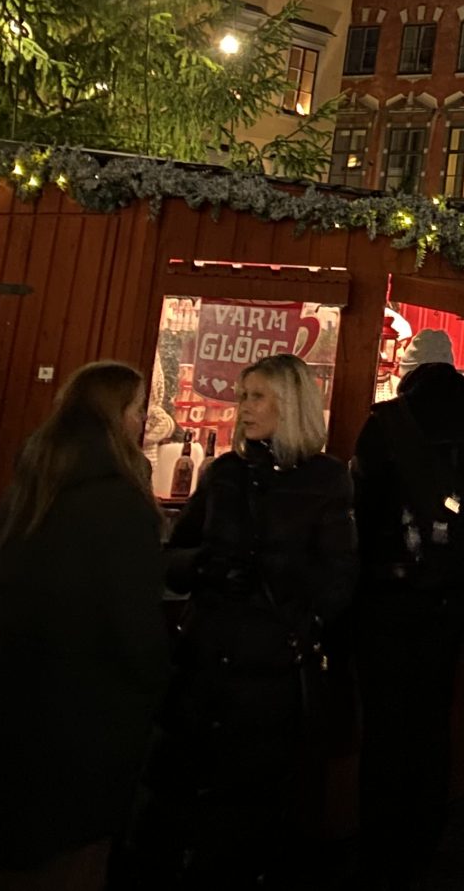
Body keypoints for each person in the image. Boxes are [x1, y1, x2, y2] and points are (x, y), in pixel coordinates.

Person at [0, 363, 170, 891]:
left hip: (16, 703)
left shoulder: (31, 489)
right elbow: (136, 627)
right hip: (91, 720)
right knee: (73, 862)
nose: (141, 420)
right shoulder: (120, 503)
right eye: (137, 409)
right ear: (115, 416)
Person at [157, 352, 357, 885]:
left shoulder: (325, 479)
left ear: (289, 405)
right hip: (206, 661)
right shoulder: (224, 474)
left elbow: (339, 577)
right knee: (189, 793)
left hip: (270, 672)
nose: (243, 407)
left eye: (257, 397)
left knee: (258, 806)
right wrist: (204, 567)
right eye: (242, 396)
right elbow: (172, 557)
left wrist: (293, 618)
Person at [350, 328, 464, 890]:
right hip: (451, 595)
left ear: (408, 374)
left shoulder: (387, 423)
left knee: (385, 725)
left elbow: (361, 508)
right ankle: (424, 840)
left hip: (385, 595)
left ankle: (380, 849)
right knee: (431, 720)